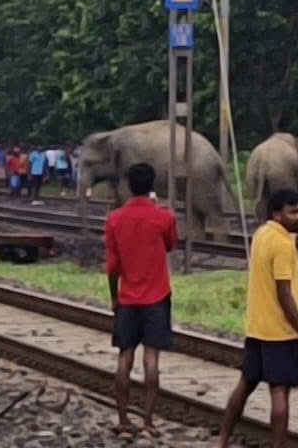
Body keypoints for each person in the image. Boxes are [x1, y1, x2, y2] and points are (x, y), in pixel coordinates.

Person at [212, 189, 298, 448]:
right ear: (277, 214)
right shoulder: (282, 244)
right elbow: (283, 292)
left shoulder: (262, 234)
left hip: (257, 327)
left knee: (245, 384)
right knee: (280, 391)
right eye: (294, 212)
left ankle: (222, 439)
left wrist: (295, 233)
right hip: (280, 330)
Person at [105, 163, 178, 439]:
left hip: (127, 298)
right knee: (151, 359)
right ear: (152, 186)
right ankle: (148, 421)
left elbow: (112, 267)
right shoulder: (165, 218)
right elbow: (171, 244)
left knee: (125, 358)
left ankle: (123, 419)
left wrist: (114, 299)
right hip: (157, 296)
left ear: (127, 185)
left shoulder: (114, 219)